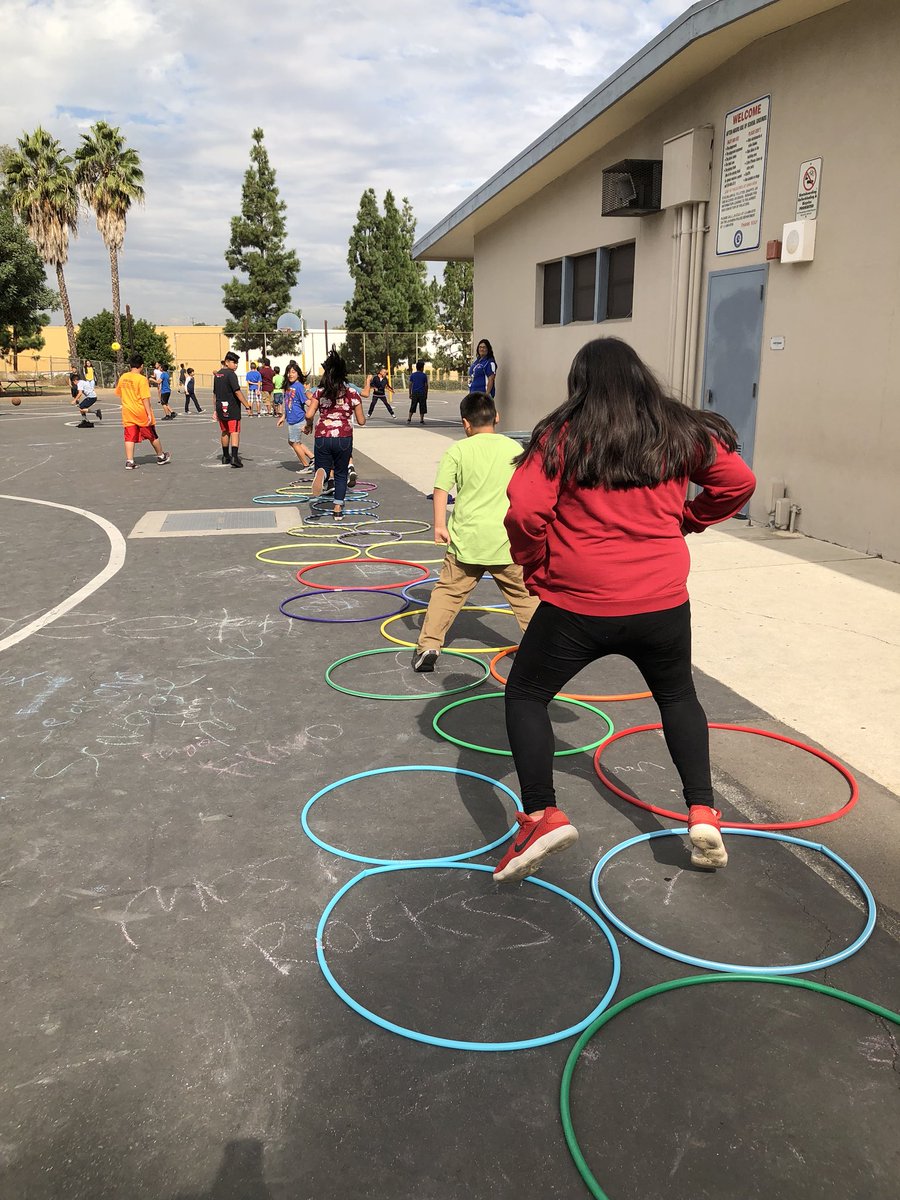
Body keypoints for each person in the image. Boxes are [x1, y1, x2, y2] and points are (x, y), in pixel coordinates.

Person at [491, 337, 756, 884]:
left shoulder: (563, 435)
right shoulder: (678, 430)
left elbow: (524, 511)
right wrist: (690, 518)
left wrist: (534, 563)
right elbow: (739, 483)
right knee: (677, 696)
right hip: (662, 601)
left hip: (579, 603)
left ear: (580, 383)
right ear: (640, 377)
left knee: (526, 694)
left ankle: (541, 816)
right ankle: (703, 811)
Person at [411, 391, 538, 673]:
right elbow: (530, 490)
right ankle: (545, 649)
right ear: (497, 417)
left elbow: (441, 489)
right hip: (506, 542)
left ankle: (429, 645)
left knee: (447, 593)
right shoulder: (515, 449)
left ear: (465, 423)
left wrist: (440, 525)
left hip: (466, 541)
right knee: (525, 597)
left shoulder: (458, 451)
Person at [303, 348, 366, 521]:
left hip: (322, 435)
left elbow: (309, 414)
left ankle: (322, 475)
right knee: (341, 472)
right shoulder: (351, 393)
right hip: (343, 437)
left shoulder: (319, 392)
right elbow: (361, 421)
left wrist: (309, 425)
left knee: (323, 466)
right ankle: (337, 509)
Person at [114, 354, 171, 471]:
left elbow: (119, 393)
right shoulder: (141, 379)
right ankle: (161, 456)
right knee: (152, 435)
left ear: (130, 365)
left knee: (129, 436)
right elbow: (145, 398)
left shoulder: (123, 377)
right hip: (140, 411)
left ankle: (130, 461)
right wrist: (149, 413)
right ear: (142, 366)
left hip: (127, 411)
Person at [213, 351, 251, 467]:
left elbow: (214, 394)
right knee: (234, 431)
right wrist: (247, 405)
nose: (236, 365)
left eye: (236, 363)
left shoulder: (218, 375)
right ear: (227, 362)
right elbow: (237, 392)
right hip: (232, 407)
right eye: (234, 362)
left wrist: (215, 409)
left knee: (225, 431)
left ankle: (225, 456)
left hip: (220, 406)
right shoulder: (231, 374)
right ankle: (234, 457)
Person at [277, 362, 314, 471]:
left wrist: (314, 410)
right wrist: (283, 417)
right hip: (292, 419)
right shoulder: (289, 387)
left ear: (298, 374)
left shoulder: (298, 387)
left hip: (298, 419)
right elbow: (289, 403)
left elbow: (307, 402)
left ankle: (306, 466)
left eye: (293, 372)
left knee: (294, 443)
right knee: (293, 441)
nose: (290, 374)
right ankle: (313, 458)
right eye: (289, 372)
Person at [408, 359, 428, 424]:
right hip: (422, 393)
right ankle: (421, 420)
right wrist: (426, 394)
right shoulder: (424, 375)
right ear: (422, 368)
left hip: (414, 393)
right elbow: (426, 385)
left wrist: (410, 393)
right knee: (422, 407)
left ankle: (409, 419)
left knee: (413, 405)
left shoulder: (413, 375)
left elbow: (410, 384)